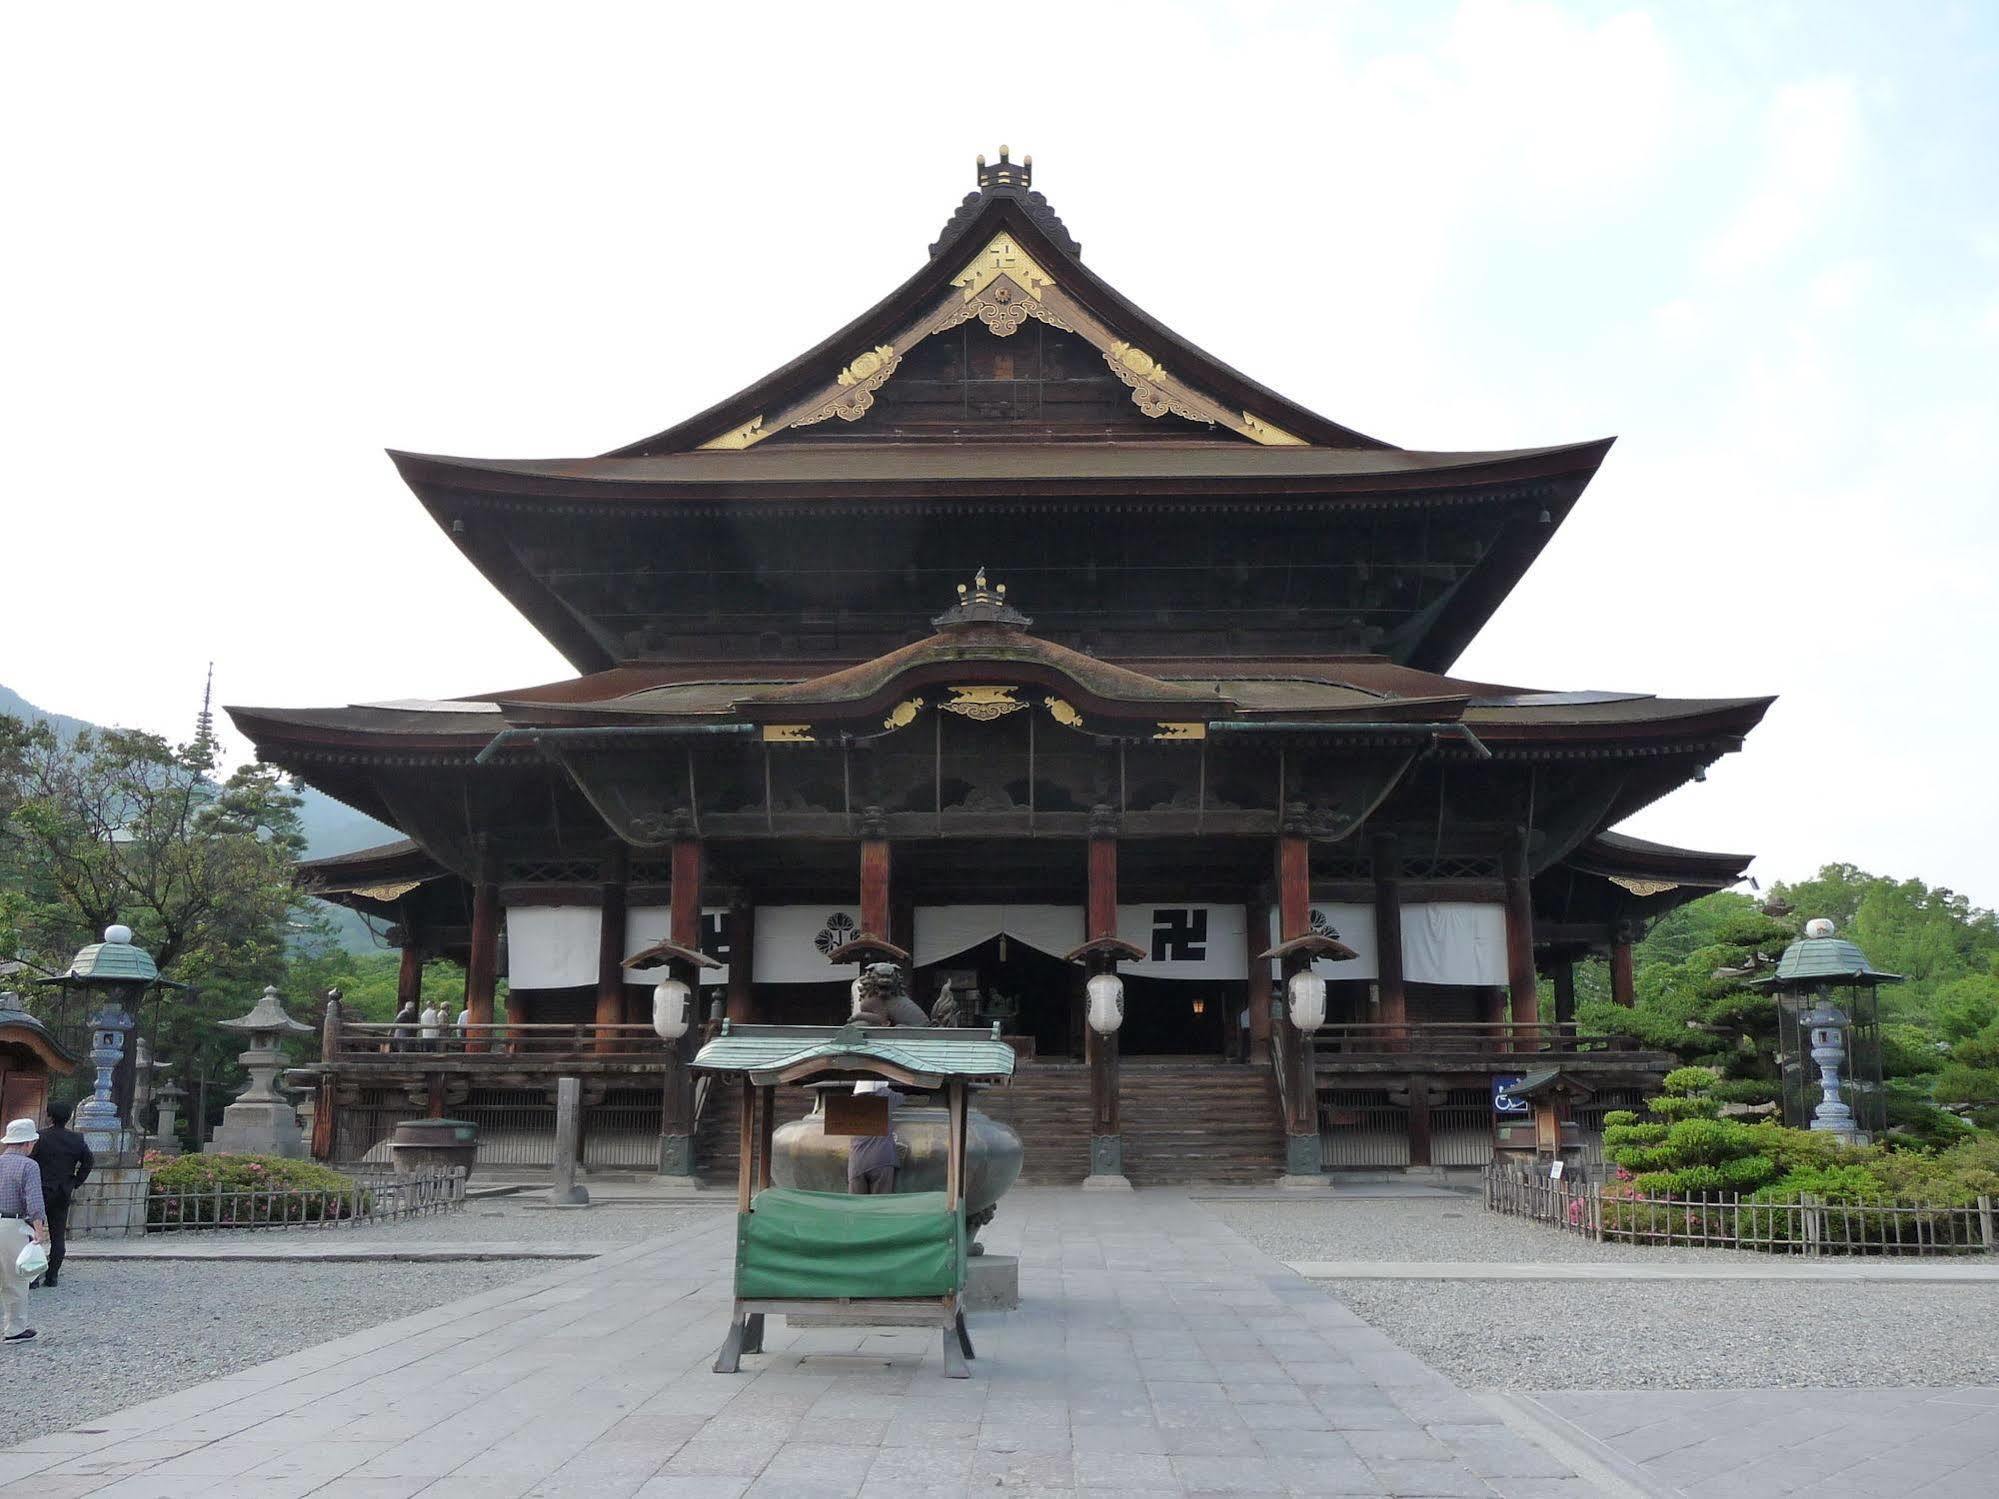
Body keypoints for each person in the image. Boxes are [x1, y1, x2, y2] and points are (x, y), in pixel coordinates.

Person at [29, 1101, 91, 1289]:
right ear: (69, 1117)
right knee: (58, 1235)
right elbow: (88, 1162)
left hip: (40, 1189)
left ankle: (32, 1276)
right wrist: (75, 1181)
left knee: (33, 1234)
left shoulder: (40, 1137)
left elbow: (30, 1161)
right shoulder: (77, 1139)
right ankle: (52, 1276)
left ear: (50, 1116)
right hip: (63, 1189)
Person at [0, 1118, 51, 1344]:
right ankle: (14, 1329)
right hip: (13, 1225)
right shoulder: (29, 1166)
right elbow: (34, 1201)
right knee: (15, 1279)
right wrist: (39, 1229)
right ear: (29, 1143)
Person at [846, 1081, 902, 1195]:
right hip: (881, 1160)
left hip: (857, 1162)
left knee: (856, 1205)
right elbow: (901, 1098)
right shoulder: (885, 1096)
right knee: (879, 1206)